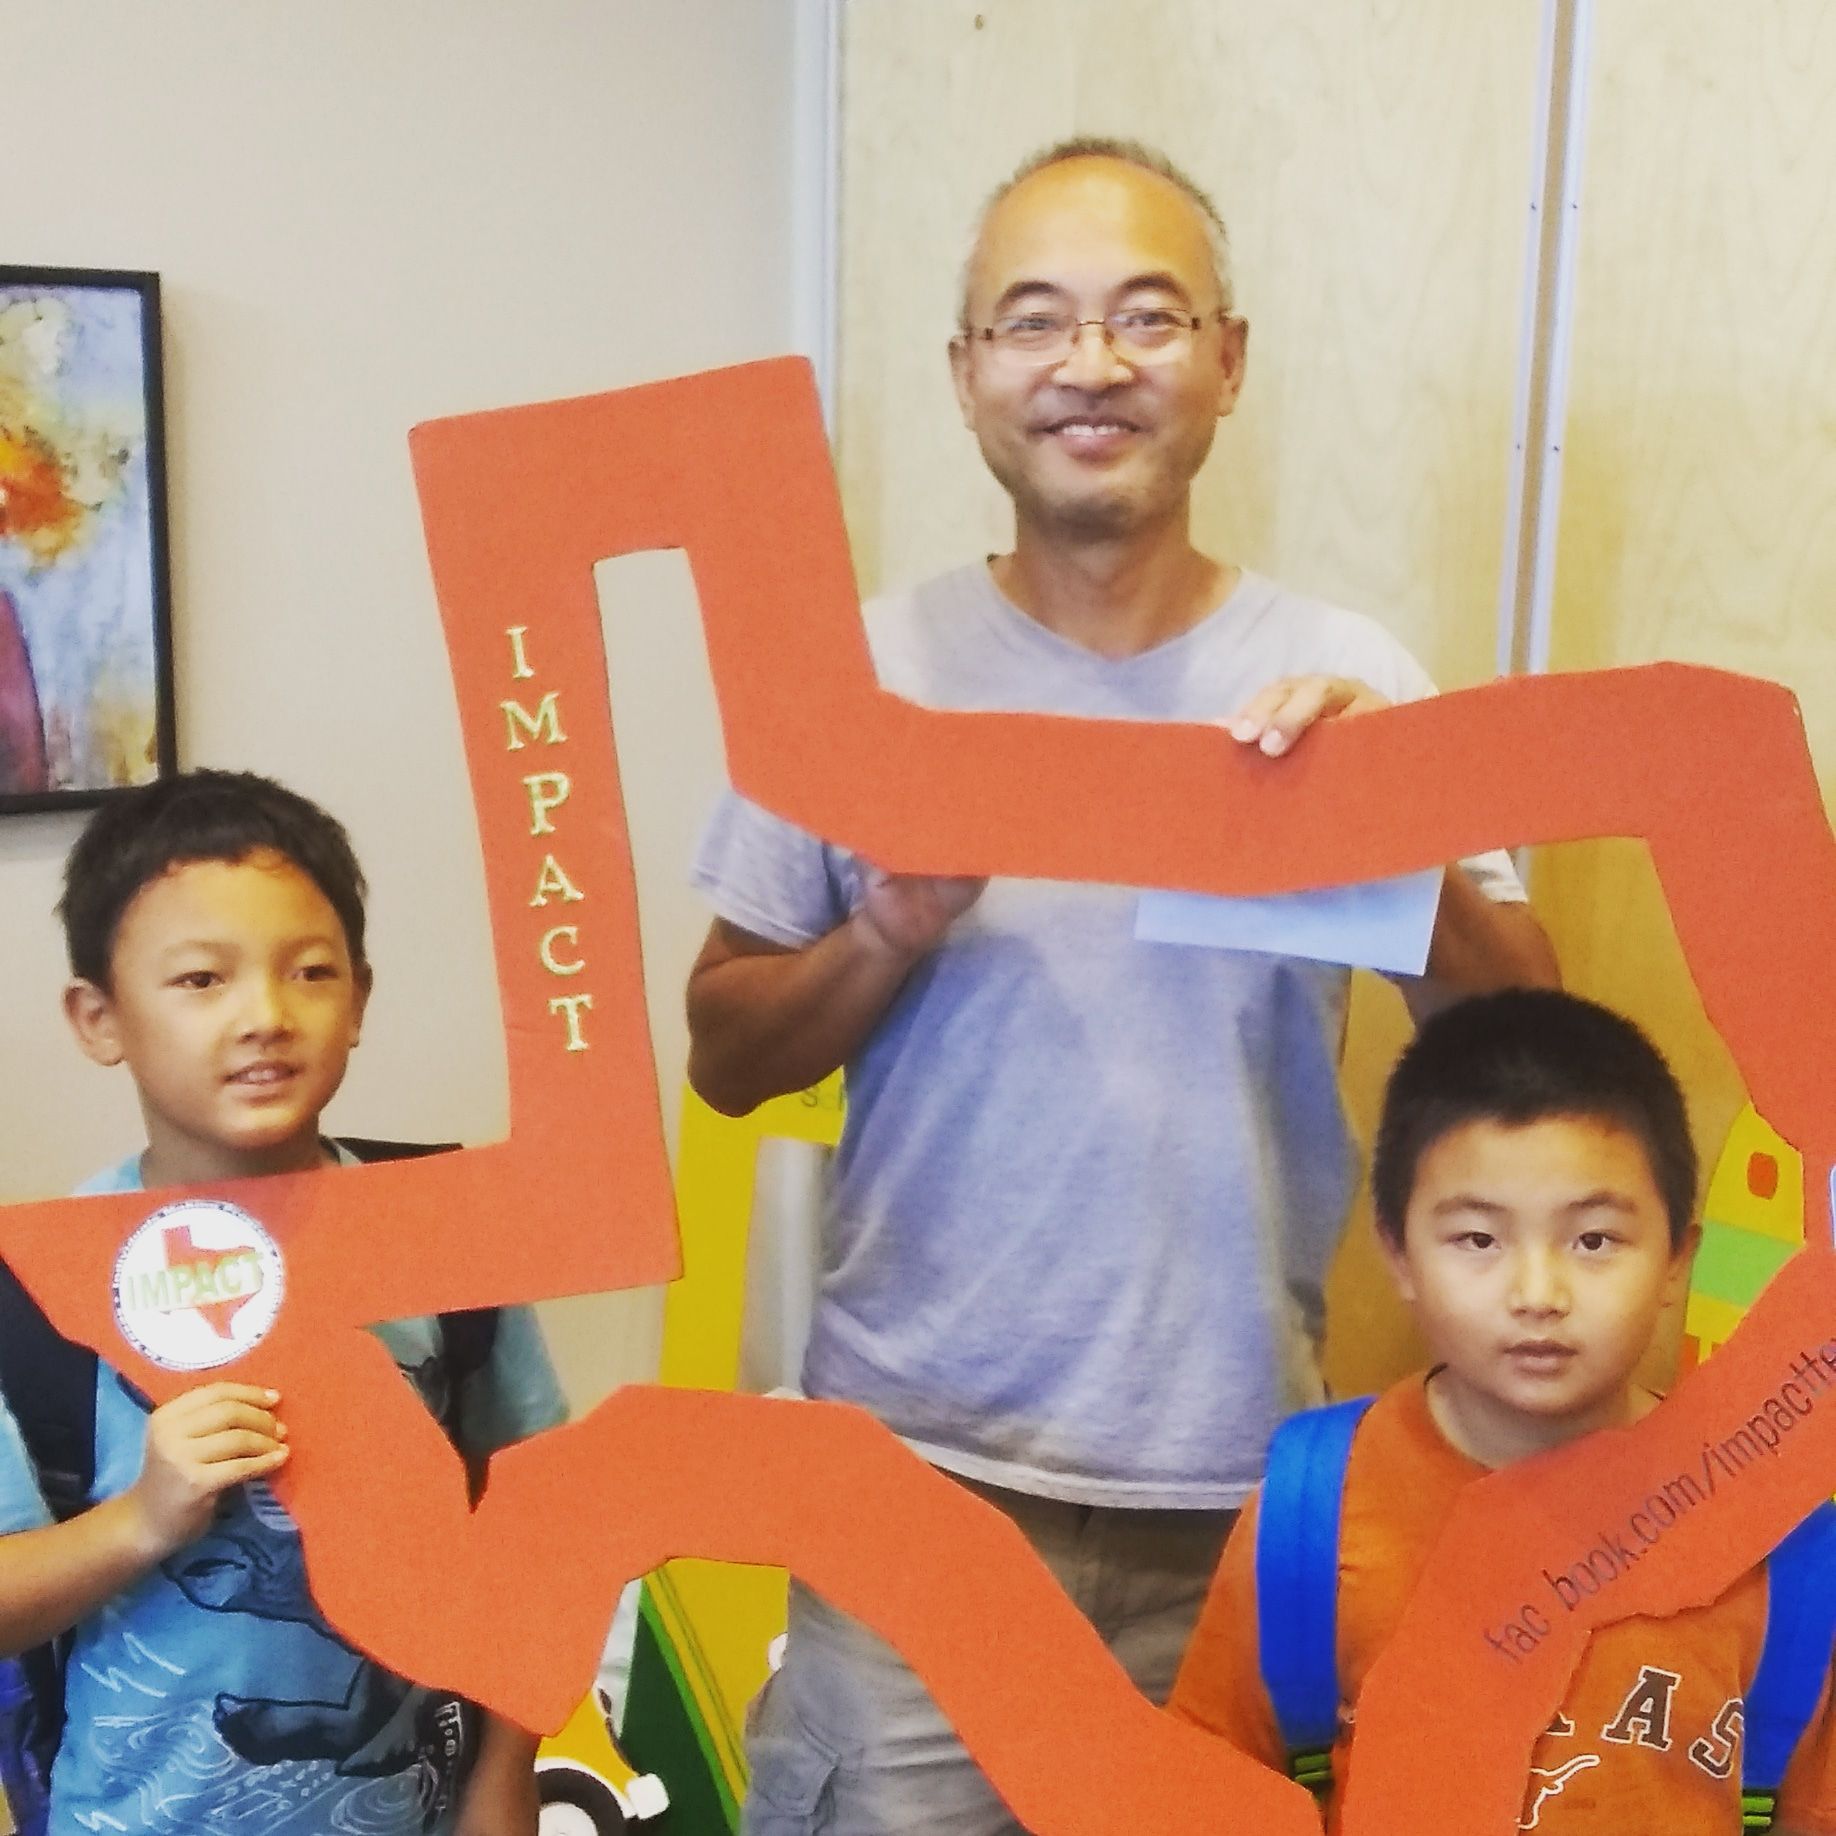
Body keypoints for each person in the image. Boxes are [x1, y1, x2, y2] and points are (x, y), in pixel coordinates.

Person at [687, 137, 1559, 1833]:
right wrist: (885, 930)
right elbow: (724, 1050)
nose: (1090, 363)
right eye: (1034, 321)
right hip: (910, 1495)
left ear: (1227, 360)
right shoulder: (855, 679)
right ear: (966, 373)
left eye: (1147, 317)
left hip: (1237, 1501)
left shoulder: (1346, 681)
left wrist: (1401, 832)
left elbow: (1528, 1038)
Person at [0, 768, 566, 1836]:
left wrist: (508, 1771)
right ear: (98, 1018)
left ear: (360, 998)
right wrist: (139, 1521)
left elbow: (535, 1516)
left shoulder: (439, 1235)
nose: (264, 1016)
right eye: (201, 979)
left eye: (309, 971)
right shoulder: (30, 1288)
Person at [1169, 988, 1836, 1833]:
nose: (1538, 1293)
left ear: (1677, 1260)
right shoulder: (1310, 1515)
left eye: (1594, 1240)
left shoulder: (1779, 1544)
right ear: (1398, 1254)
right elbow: (1208, 1792)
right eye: (1479, 1240)